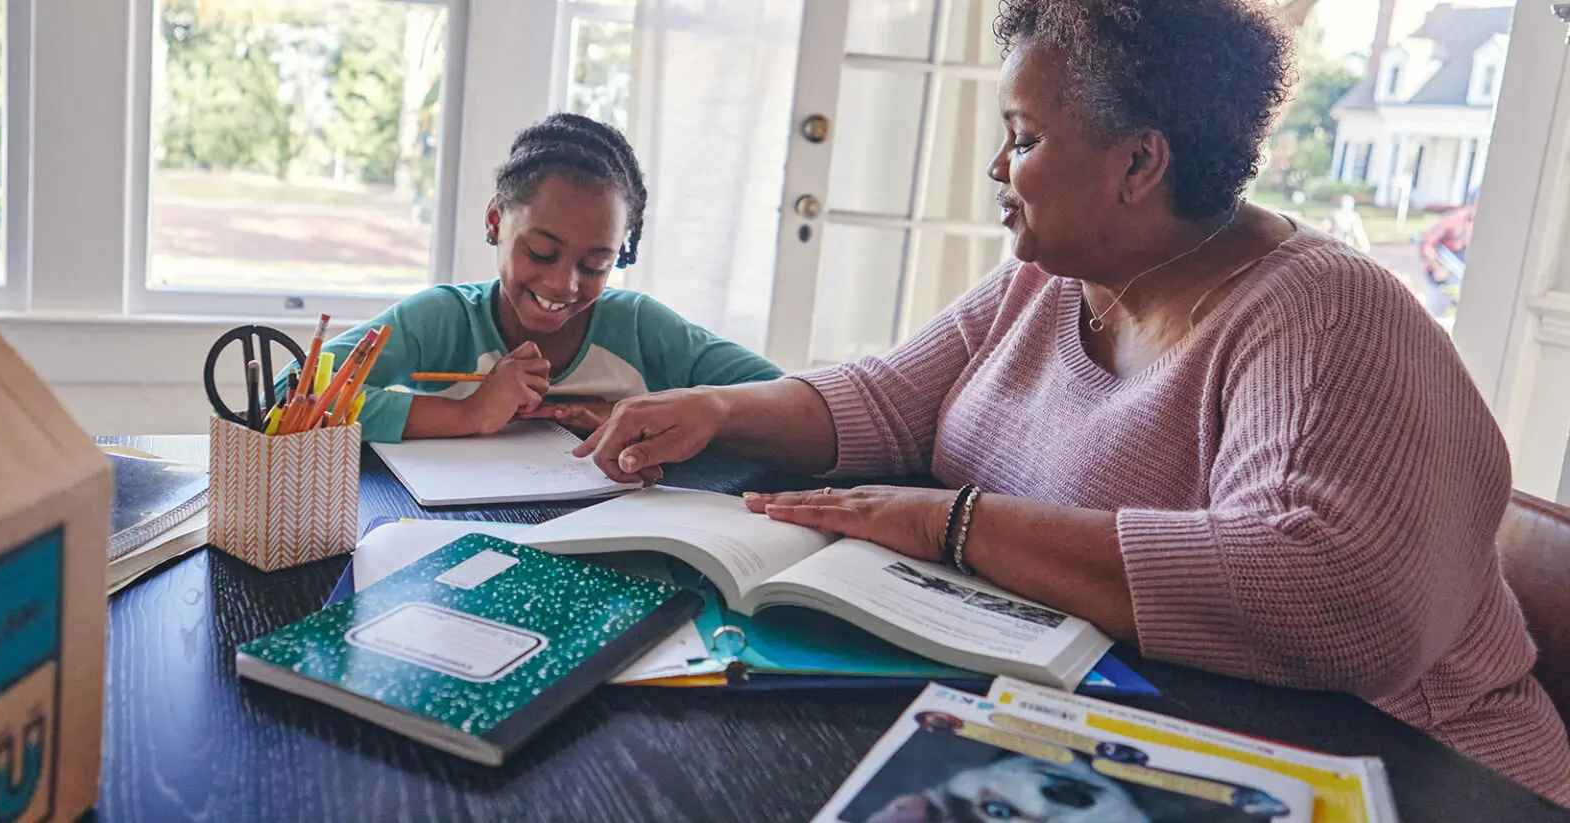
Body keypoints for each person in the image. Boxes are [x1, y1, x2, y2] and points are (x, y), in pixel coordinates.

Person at [574, 0, 1570, 805]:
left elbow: (1339, 598)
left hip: (1417, 772)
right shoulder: (1055, 277)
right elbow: (890, 399)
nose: (998, 170)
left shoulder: (1328, 311)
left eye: (1024, 137)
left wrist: (953, 524)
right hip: (1144, 720)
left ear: (1140, 162)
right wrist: (716, 408)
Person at [273, 113, 781, 443]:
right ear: (496, 222)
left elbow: (788, 398)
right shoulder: (442, 321)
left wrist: (653, 416)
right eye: (541, 251)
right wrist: (467, 415)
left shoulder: (641, 328)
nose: (563, 285)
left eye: (596, 265)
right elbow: (289, 393)